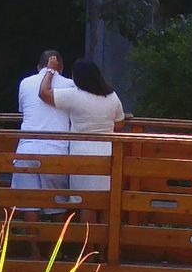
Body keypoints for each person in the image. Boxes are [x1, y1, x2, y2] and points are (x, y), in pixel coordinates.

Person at [39, 58, 124, 223]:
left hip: (82, 153)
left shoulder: (74, 95)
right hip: (107, 153)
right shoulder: (112, 96)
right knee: (105, 200)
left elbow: (44, 93)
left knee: (85, 201)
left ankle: (88, 246)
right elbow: (120, 122)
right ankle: (105, 247)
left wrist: (50, 70)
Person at [12, 50, 74, 235]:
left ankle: (35, 252)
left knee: (30, 204)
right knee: (58, 203)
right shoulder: (70, 85)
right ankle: (56, 250)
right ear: (60, 68)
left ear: (38, 67)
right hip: (56, 150)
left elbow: (23, 111)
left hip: (26, 149)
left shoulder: (25, 83)